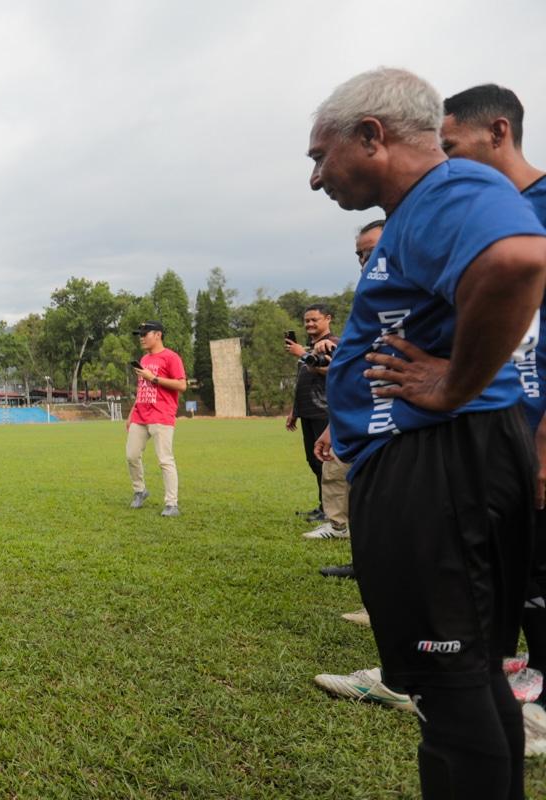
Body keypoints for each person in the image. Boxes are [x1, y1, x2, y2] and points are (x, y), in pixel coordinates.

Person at [307, 67, 546, 798]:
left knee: (450, 687)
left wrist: (454, 384)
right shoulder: (421, 207)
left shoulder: (447, 188)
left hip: (438, 463)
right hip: (439, 459)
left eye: (320, 156)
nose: (316, 178)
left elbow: (518, 260)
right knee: (468, 678)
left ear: (371, 136)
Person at [440, 83, 546, 757]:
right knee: (501, 570)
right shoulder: (483, 213)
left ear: (498, 131)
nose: (445, 161)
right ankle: (500, 682)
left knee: (538, 572)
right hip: (496, 428)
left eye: (452, 146)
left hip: (536, 431)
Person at [317, 220, 384, 579]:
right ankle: (367, 566)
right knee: (364, 499)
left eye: (371, 252)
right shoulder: (370, 298)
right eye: (359, 254)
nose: (364, 261)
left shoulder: (421, 291)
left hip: (397, 425)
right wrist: (335, 424)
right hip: (359, 422)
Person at [125, 320, 186, 517]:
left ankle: (171, 504)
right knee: (131, 455)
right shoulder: (144, 359)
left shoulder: (171, 357)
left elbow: (182, 385)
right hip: (140, 415)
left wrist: (154, 378)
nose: (141, 338)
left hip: (161, 414)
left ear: (158, 335)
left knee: (165, 460)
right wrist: (131, 413)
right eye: (140, 335)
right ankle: (140, 491)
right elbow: (142, 388)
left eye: (145, 334)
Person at [284, 305, 337, 524]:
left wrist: (302, 354)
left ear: (328, 319)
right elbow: (303, 382)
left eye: (314, 319)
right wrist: (294, 411)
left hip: (324, 411)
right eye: (307, 321)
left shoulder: (332, 344)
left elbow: (335, 371)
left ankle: (333, 511)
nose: (309, 324)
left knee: (326, 462)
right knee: (314, 461)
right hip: (307, 411)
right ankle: (324, 507)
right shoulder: (311, 347)